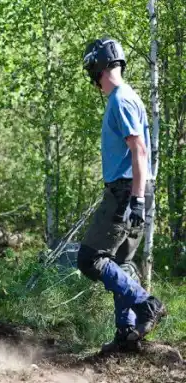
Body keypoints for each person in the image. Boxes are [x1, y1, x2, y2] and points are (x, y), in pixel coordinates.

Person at [79, 37, 167, 352]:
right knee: (121, 263)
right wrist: (140, 197)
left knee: (90, 259)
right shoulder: (129, 97)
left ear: (97, 67)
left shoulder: (120, 99)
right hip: (136, 188)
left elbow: (139, 150)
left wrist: (136, 199)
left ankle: (146, 303)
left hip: (126, 190)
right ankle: (126, 335)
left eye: (91, 70)